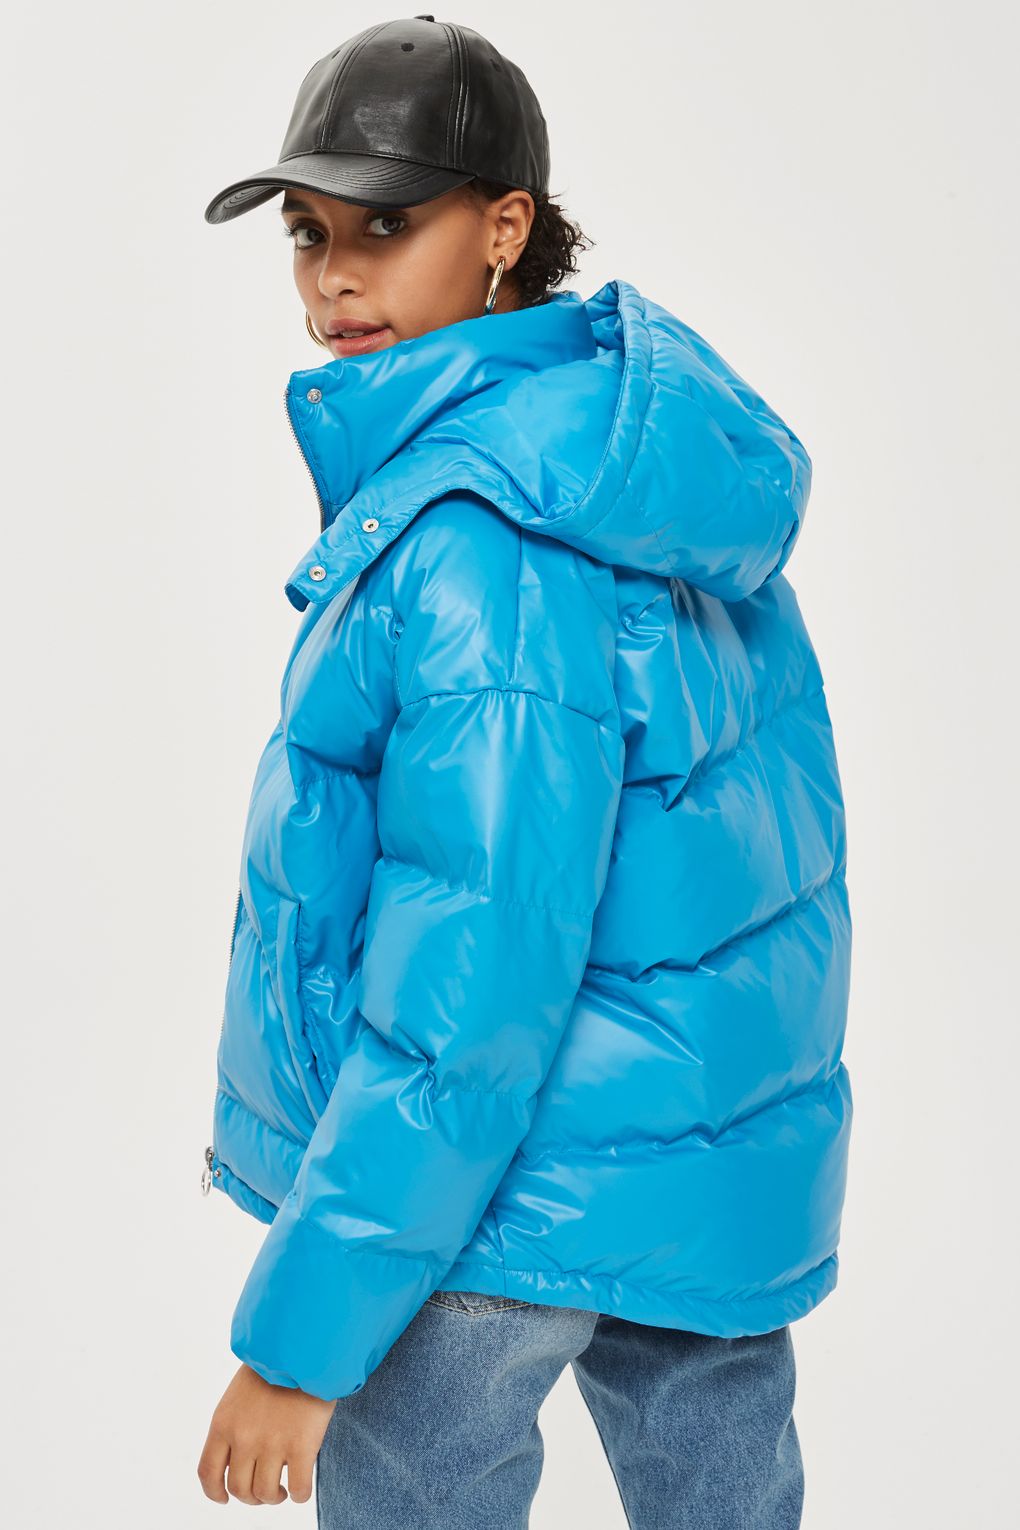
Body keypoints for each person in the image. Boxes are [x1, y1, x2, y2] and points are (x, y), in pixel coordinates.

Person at [194, 17, 852, 1529]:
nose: (334, 276)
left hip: (487, 1197)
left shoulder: (484, 530)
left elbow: (475, 967)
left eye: (385, 225)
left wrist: (304, 1339)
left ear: (505, 228)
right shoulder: (632, 468)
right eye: (309, 232)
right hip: (702, 1170)